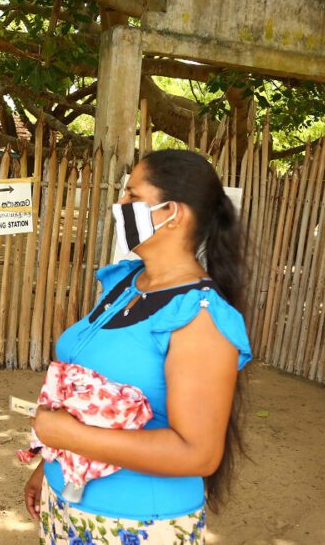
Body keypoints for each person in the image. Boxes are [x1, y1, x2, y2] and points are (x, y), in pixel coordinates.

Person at [24, 149, 251, 544]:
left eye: (131, 195)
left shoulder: (201, 317)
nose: (120, 205)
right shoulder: (123, 284)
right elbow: (88, 394)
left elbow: (198, 454)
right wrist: (49, 466)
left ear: (171, 213)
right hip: (67, 503)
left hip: (136, 524)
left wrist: (68, 438)